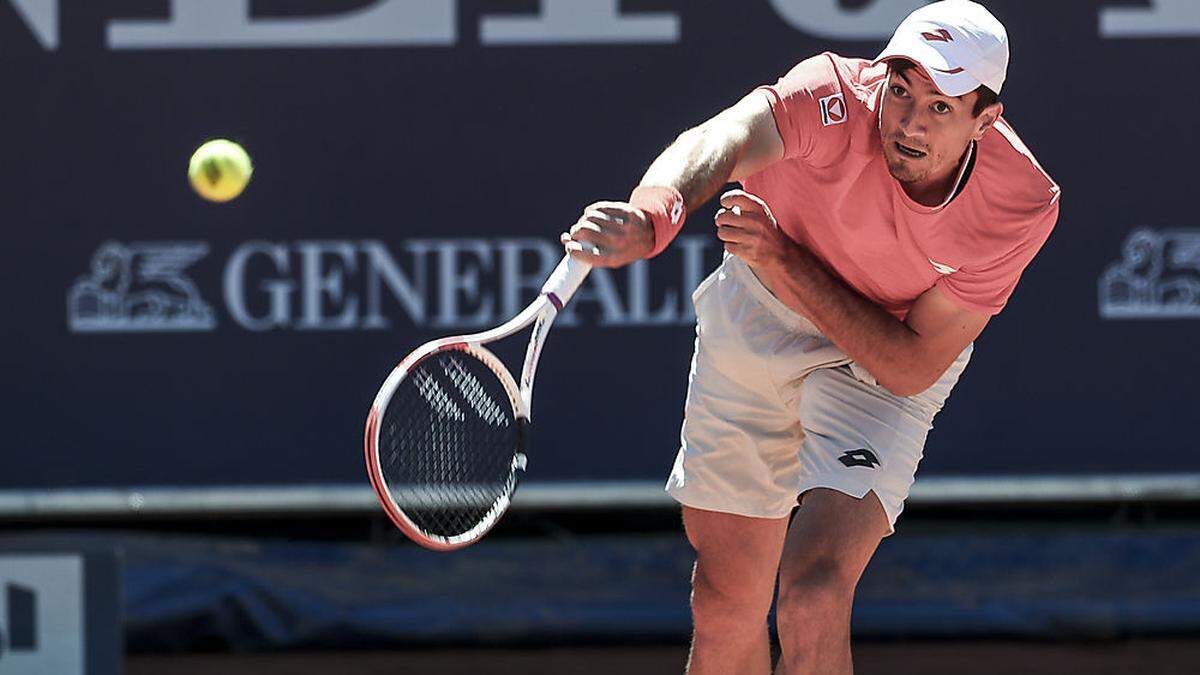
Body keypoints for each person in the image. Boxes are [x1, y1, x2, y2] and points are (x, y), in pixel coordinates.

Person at [560, 1, 1060, 673]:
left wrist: (785, 260)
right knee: (726, 601)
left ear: (985, 119)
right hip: (760, 313)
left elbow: (907, 365)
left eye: (940, 108)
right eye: (900, 92)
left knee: (812, 596)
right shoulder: (830, 94)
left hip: (881, 356)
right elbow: (726, 136)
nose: (908, 122)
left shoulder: (1019, 203)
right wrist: (655, 215)